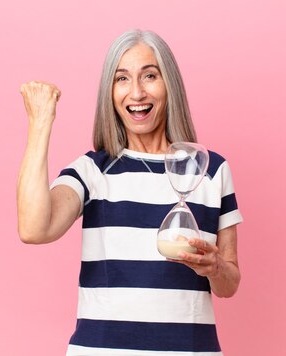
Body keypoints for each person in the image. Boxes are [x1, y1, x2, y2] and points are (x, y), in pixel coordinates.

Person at [17, 29, 243, 355]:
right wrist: (40, 123)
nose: (136, 92)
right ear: (109, 92)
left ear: (170, 85)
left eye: (149, 76)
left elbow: (230, 284)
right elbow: (33, 229)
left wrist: (214, 267)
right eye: (122, 79)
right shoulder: (94, 170)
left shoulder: (210, 169)